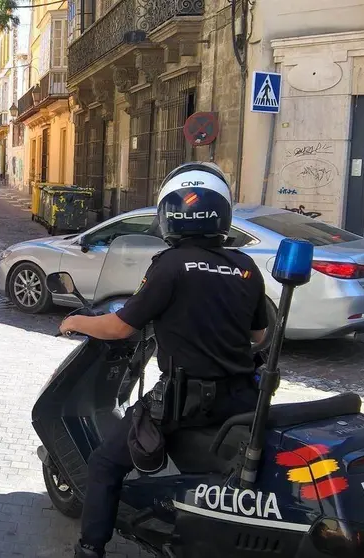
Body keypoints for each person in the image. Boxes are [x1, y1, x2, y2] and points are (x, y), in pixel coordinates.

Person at [59, 162, 269, 558]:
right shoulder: (246, 267)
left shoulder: (170, 266)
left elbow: (122, 326)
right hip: (242, 400)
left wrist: (77, 321)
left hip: (183, 404)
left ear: (168, 214)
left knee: (105, 463)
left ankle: (90, 548)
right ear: (222, 213)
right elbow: (258, 336)